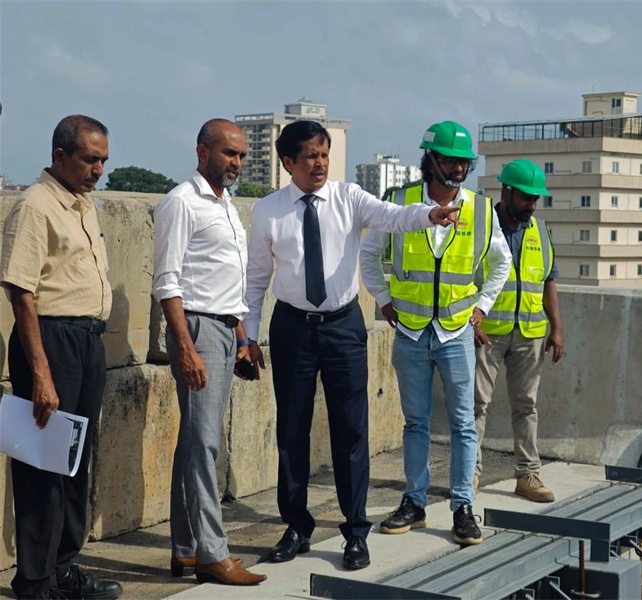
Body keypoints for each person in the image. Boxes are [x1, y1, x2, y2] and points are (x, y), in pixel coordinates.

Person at [244, 120, 460, 570]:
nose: (319, 163)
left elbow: (393, 216)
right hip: (291, 327)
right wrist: (248, 334)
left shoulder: (349, 197)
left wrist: (429, 215)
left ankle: (356, 531)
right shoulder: (269, 211)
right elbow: (256, 278)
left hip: (342, 326)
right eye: (310, 156)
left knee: (351, 432)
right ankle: (296, 526)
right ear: (288, 162)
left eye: (324, 154)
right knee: (291, 430)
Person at [360, 120, 511, 546]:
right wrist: (383, 298)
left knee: (463, 424)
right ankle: (415, 502)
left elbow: (501, 262)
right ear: (429, 160)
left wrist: (482, 306)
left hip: (456, 332)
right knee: (415, 423)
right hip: (410, 330)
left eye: (464, 161)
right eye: (450, 160)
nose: (459, 168)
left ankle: (463, 506)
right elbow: (369, 254)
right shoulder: (399, 202)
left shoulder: (481, 209)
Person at [0, 115, 122, 599]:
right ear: (60, 156)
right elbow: (21, 293)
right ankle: (35, 581)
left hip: (86, 341)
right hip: (51, 340)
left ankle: (62, 569)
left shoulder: (82, 205)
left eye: (103, 161)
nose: (98, 170)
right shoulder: (35, 205)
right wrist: (41, 372)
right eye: (90, 159)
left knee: (73, 462)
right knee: (41, 465)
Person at [152, 119, 265, 586]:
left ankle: (186, 549)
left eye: (241, 155)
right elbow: (167, 282)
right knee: (204, 444)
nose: (236, 162)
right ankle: (213, 554)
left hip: (222, 328)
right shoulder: (182, 202)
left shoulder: (227, 204)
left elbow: (226, 280)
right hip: (195, 328)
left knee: (194, 443)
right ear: (202, 152)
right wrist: (186, 347)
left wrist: (241, 337)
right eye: (228, 153)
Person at [473, 159, 565, 502]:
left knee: (526, 406)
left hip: (530, 333)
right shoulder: (481, 226)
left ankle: (528, 475)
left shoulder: (539, 230)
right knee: (475, 406)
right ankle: (470, 475)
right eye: (526, 197)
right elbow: (463, 277)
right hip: (487, 333)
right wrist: (472, 320)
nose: (532, 205)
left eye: (535, 199)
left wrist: (557, 328)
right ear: (506, 191)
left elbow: (548, 281)